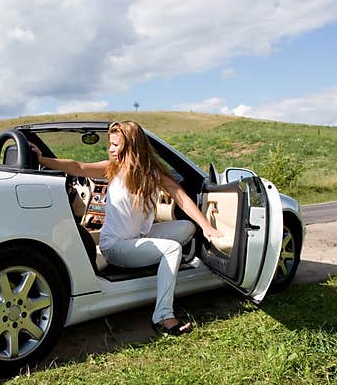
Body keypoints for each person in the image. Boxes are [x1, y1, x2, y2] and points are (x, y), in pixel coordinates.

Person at [32, 120, 223, 336]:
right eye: (110, 144)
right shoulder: (111, 169)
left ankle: (162, 265)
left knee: (188, 227)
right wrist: (42, 159)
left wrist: (206, 226)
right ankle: (163, 315)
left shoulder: (152, 174)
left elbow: (181, 197)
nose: (111, 149)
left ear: (131, 146)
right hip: (115, 247)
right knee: (172, 249)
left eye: (115, 145)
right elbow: (77, 167)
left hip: (139, 237)